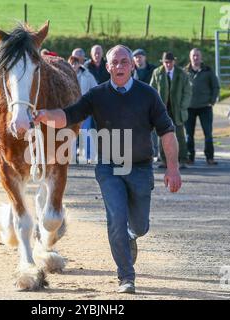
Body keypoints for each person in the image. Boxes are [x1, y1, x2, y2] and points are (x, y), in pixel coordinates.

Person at [34, 45, 182, 294]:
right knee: (116, 220)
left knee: (140, 225)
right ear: (108, 66)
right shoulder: (97, 95)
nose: (120, 67)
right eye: (115, 63)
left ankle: (132, 235)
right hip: (109, 167)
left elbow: (167, 131)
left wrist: (173, 167)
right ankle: (126, 277)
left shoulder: (148, 95)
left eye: (125, 62)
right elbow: (69, 115)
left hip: (141, 168)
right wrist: (43, 114)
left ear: (132, 65)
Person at [150, 52, 191, 169]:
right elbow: (152, 89)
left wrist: (183, 106)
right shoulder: (157, 72)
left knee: (179, 135)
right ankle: (164, 160)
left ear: (174, 61)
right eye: (166, 62)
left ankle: (182, 159)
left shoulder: (181, 73)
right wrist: (154, 106)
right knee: (162, 135)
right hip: (162, 110)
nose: (168, 64)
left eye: (170, 62)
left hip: (177, 110)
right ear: (162, 62)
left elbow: (187, 91)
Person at [184, 48, 220, 165]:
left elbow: (216, 87)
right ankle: (190, 156)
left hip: (205, 106)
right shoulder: (185, 72)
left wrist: (212, 101)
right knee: (189, 135)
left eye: (197, 55)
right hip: (189, 107)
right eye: (193, 55)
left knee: (208, 134)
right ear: (190, 57)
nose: (195, 58)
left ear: (201, 57)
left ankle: (210, 157)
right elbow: (181, 89)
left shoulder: (208, 71)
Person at [68, 55, 98, 163]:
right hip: (70, 109)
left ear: (79, 64)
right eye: (71, 63)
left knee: (86, 132)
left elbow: (95, 88)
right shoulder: (65, 76)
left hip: (85, 108)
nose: (74, 65)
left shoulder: (87, 75)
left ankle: (90, 157)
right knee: (71, 133)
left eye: (76, 63)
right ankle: (71, 157)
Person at [132, 48, 159, 161]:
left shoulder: (154, 70)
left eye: (140, 56)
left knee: (152, 130)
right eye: (136, 57)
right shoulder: (130, 70)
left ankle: (155, 152)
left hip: (149, 103)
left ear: (145, 57)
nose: (138, 59)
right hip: (134, 104)